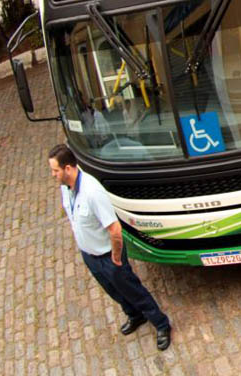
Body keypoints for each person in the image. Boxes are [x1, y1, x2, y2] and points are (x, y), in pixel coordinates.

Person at [48, 144, 172, 350]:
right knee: (113, 290)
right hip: (90, 254)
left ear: (68, 168)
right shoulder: (65, 187)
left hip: (108, 256)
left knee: (132, 290)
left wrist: (115, 258)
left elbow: (115, 230)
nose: (53, 175)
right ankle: (134, 315)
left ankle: (161, 324)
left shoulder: (92, 192)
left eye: (55, 170)